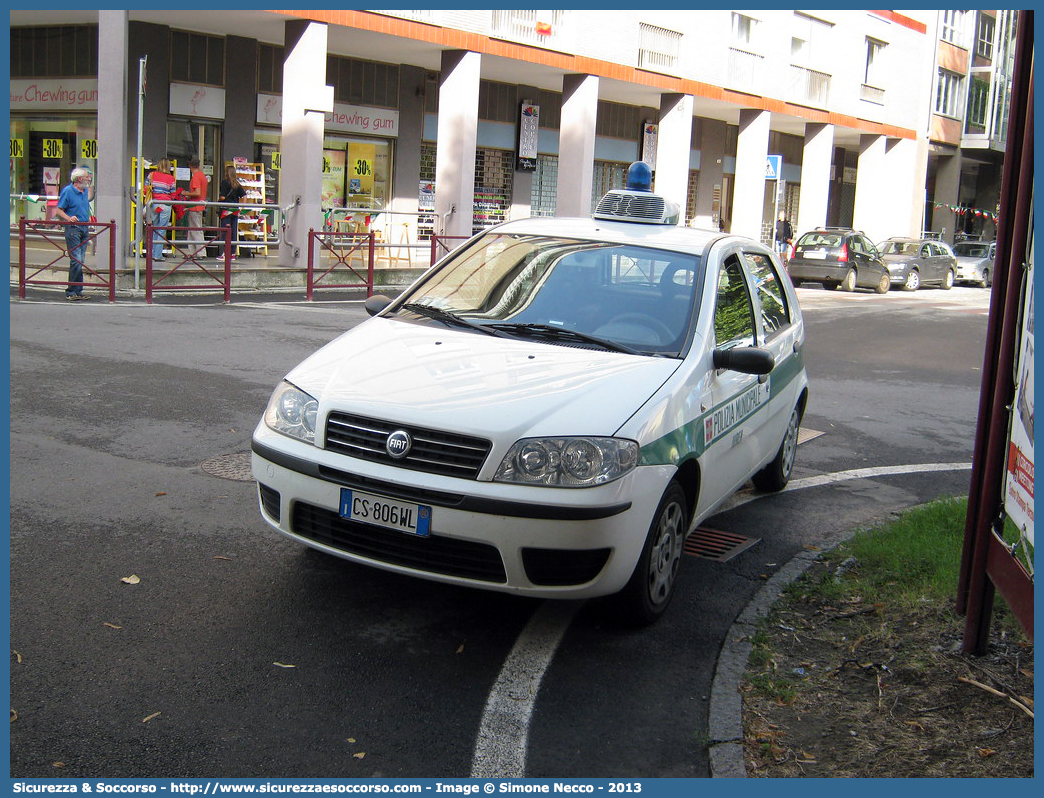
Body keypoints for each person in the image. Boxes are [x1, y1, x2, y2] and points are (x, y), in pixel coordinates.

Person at [53, 167, 93, 301]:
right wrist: (69, 218)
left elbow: (84, 206)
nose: (89, 179)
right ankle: (71, 291)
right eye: (87, 177)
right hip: (73, 229)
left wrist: (89, 218)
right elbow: (59, 210)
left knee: (81, 260)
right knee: (76, 260)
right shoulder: (68, 191)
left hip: (84, 227)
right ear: (79, 178)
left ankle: (78, 290)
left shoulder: (85, 191)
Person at [145, 158, 176, 261]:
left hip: (153, 204)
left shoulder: (151, 175)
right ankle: (157, 255)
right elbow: (173, 194)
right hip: (165, 205)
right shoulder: (171, 178)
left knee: (154, 228)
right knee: (161, 229)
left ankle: (152, 253)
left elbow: (145, 189)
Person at [218, 165, 246, 260]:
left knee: (225, 231)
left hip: (226, 209)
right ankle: (232, 253)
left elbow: (222, 197)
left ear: (227, 173)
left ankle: (225, 253)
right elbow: (244, 195)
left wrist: (218, 200)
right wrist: (242, 207)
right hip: (235, 209)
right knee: (233, 231)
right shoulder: (237, 184)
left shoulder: (225, 182)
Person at [184, 157, 209, 257]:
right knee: (192, 230)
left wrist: (187, 193)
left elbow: (197, 192)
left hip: (195, 206)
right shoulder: (202, 175)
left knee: (196, 230)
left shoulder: (195, 177)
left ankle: (200, 252)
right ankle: (192, 252)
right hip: (199, 205)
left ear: (190, 166)